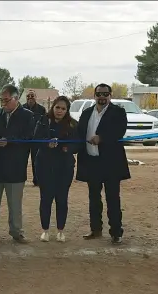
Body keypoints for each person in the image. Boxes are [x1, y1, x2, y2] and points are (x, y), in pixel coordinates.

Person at [76, 83, 130, 244]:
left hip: (111, 164)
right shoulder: (86, 113)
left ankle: (116, 232)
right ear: (94, 96)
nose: (102, 97)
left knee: (112, 198)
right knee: (94, 198)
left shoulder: (118, 112)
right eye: (99, 94)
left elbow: (120, 130)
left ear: (110, 95)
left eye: (105, 94)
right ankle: (96, 230)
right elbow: (79, 132)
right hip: (91, 162)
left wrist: (102, 138)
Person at [0, 84, 35, 244]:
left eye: (6, 100)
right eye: (1, 100)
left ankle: (17, 232)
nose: (3, 104)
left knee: (15, 204)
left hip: (16, 167)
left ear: (16, 99)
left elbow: (29, 137)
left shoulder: (28, 116)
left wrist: (9, 141)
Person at [33, 96, 79, 242]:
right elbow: (35, 140)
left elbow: (78, 145)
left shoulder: (72, 124)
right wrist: (47, 144)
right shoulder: (43, 121)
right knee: (45, 199)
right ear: (53, 107)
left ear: (67, 110)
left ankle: (60, 231)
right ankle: (45, 230)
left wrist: (67, 148)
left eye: (63, 108)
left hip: (64, 167)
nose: (60, 111)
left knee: (62, 199)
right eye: (57, 107)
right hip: (44, 166)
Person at [22, 89, 47, 186]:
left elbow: (44, 123)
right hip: (24, 139)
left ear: (36, 97)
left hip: (36, 139)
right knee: (22, 160)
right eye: (28, 96)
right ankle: (21, 179)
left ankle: (37, 180)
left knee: (36, 161)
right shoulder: (22, 108)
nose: (30, 98)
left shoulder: (41, 109)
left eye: (32, 96)